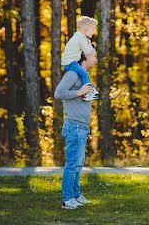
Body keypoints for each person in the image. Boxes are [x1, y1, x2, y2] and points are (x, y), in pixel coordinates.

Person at [54, 49, 97, 209]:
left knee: (78, 164)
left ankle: (76, 195)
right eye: (94, 56)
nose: (96, 60)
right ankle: (67, 199)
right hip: (74, 126)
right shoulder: (72, 74)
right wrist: (79, 92)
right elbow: (58, 93)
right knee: (72, 164)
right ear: (85, 56)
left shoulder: (84, 75)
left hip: (82, 127)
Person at [61, 15, 99, 101]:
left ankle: (90, 88)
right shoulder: (81, 38)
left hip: (70, 62)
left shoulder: (78, 37)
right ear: (86, 29)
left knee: (83, 73)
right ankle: (88, 93)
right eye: (93, 30)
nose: (93, 32)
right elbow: (87, 52)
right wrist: (90, 44)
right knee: (84, 73)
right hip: (70, 63)